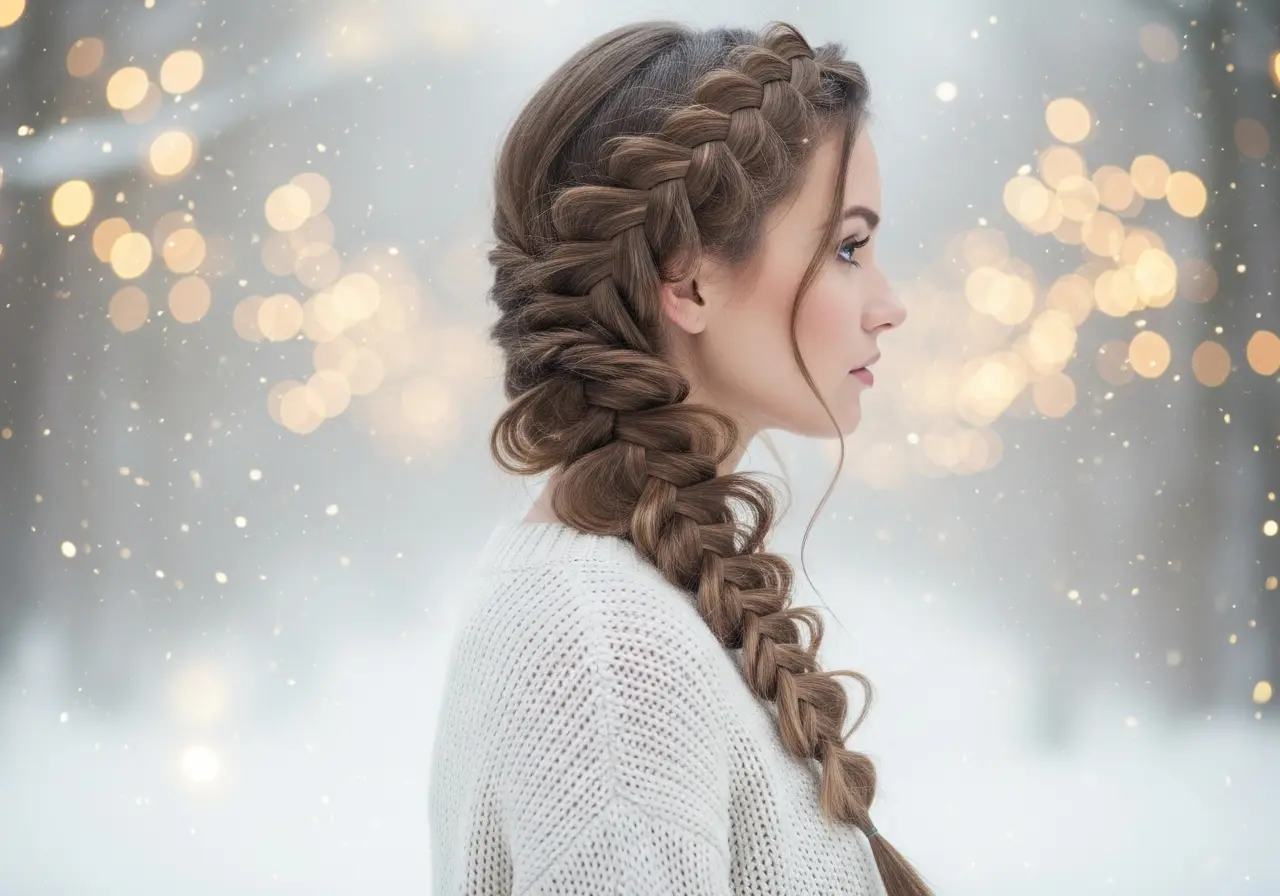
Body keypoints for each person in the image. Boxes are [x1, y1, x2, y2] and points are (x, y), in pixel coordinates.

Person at [428, 19, 929, 896]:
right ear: (688, 280)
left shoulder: (614, 604)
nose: (890, 306)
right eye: (848, 247)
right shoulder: (606, 657)